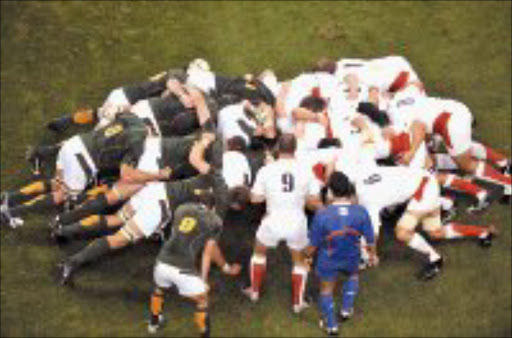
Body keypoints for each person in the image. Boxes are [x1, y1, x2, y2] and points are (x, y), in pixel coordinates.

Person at [1, 113, 152, 228]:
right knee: (61, 195)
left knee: (56, 184)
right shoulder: (140, 141)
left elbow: (119, 114)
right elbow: (125, 172)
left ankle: (9, 198)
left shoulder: (133, 118)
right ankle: (10, 213)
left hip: (75, 143)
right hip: (84, 160)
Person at [242, 133, 323, 313]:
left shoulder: (266, 170)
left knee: (259, 253)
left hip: (272, 220)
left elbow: (255, 199)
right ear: (295, 149)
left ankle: (254, 291)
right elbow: (314, 200)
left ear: (278, 147)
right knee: (299, 262)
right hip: (296, 221)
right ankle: (297, 304)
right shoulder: (306, 169)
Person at [147, 201, 241, 337]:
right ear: (213, 205)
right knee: (202, 300)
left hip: (161, 263)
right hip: (182, 270)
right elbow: (208, 252)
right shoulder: (214, 221)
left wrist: (225, 267)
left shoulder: (182, 208)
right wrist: (203, 279)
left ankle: (154, 323)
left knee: (159, 288)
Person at [304, 171, 377, 335]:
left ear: (330, 192)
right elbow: (370, 239)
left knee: (326, 290)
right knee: (353, 276)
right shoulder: (361, 211)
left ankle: (332, 326)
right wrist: (372, 255)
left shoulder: (322, 214)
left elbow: (313, 245)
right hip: (352, 257)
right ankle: (346, 310)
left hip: (328, 260)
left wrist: (305, 257)